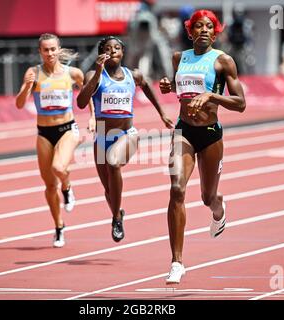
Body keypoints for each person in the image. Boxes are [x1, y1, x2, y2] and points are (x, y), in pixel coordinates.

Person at [159, 10, 246, 284]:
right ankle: (177, 262)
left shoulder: (223, 61)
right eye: (199, 26)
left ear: (215, 31)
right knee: (176, 189)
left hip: (210, 134)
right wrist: (168, 85)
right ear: (190, 31)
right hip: (184, 131)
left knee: (207, 197)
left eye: (210, 26)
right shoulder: (179, 58)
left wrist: (211, 96)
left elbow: (241, 103)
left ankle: (218, 208)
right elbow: (179, 88)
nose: (204, 30)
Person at [77, 36, 174, 243]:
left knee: (114, 162)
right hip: (102, 136)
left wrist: (162, 113)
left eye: (117, 48)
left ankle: (115, 220)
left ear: (122, 52)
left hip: (127, 134)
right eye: (108, 48)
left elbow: (147, 86)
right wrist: (97, 74)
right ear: (100, 53)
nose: (113, 51)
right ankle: (118, 212)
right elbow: (81, 102)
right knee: (108, 190)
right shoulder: (93, 75)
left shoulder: (133, 75)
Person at [15, 33, 88, 248]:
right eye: (45, 50)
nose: (50, 53)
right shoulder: (33, 73)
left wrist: (93, 117)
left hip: (67, 128)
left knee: (58, 167)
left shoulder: (73, 73)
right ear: (40, 52)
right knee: (48, 186)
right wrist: (28, 88)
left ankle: (67, 186)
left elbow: (86, 95)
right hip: (44, 132)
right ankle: (59, 227)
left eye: (53, 49)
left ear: (58, 50)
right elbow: (19, 104)